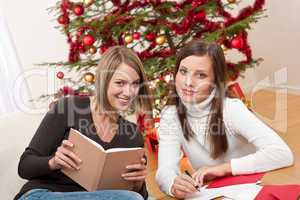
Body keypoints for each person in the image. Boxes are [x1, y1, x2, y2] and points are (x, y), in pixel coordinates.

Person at [155, 40, 294, 199]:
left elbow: (282, 153)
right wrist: (173, 184)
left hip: (256, 187)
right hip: (216, 194)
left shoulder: (231, 109)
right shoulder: (170, 114)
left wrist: (225, 168)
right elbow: (164, 170)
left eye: (200, 75)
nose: (188, 82)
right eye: (183, 71)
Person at [15, 46, 153, 200]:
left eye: (135, 84)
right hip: (43, 195)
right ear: (103, 81)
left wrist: (138, 183)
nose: (128, 92)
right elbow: (24, 167)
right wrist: (53, 162)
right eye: (120, 83)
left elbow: (139, 195)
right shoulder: (68, 108)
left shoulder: (132, 135)